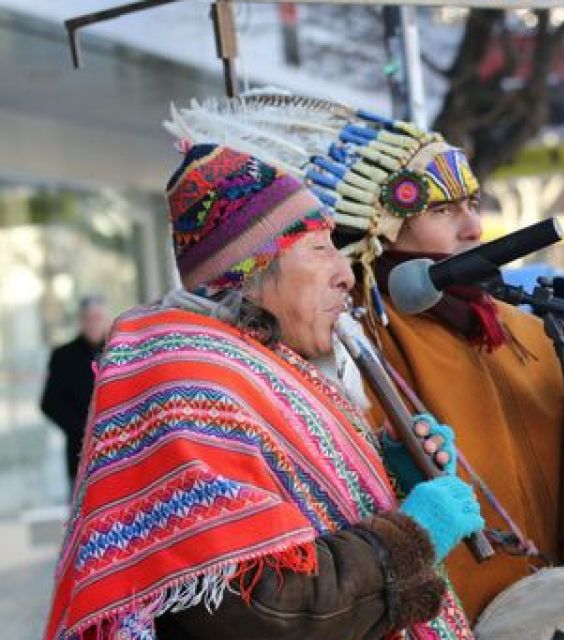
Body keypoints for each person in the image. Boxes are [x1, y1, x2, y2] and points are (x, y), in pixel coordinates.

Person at [163, 96, 564, 625]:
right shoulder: (296, 358)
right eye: (441, 210)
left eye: (473, 203)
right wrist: (412, 530)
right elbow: (267, 599)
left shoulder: (522, 330)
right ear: (383, 227)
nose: (473, 227)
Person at [44, 144, 484, 640]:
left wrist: (389, 476)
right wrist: (411, 539)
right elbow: (262, 608)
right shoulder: (187, 385)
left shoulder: (258, 363)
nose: (345, 274)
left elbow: (302, 509)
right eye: (319, 249)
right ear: (252, 270)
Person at [40, 295, 110, 493]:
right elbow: (49, 404)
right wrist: (84, 430)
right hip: (80, 454)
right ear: (80, 321)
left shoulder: (119, 352)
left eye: (97, 318)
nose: (93, 323)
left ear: (106, 320)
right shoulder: (63, 356)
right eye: (88, 318)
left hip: (117, 452)